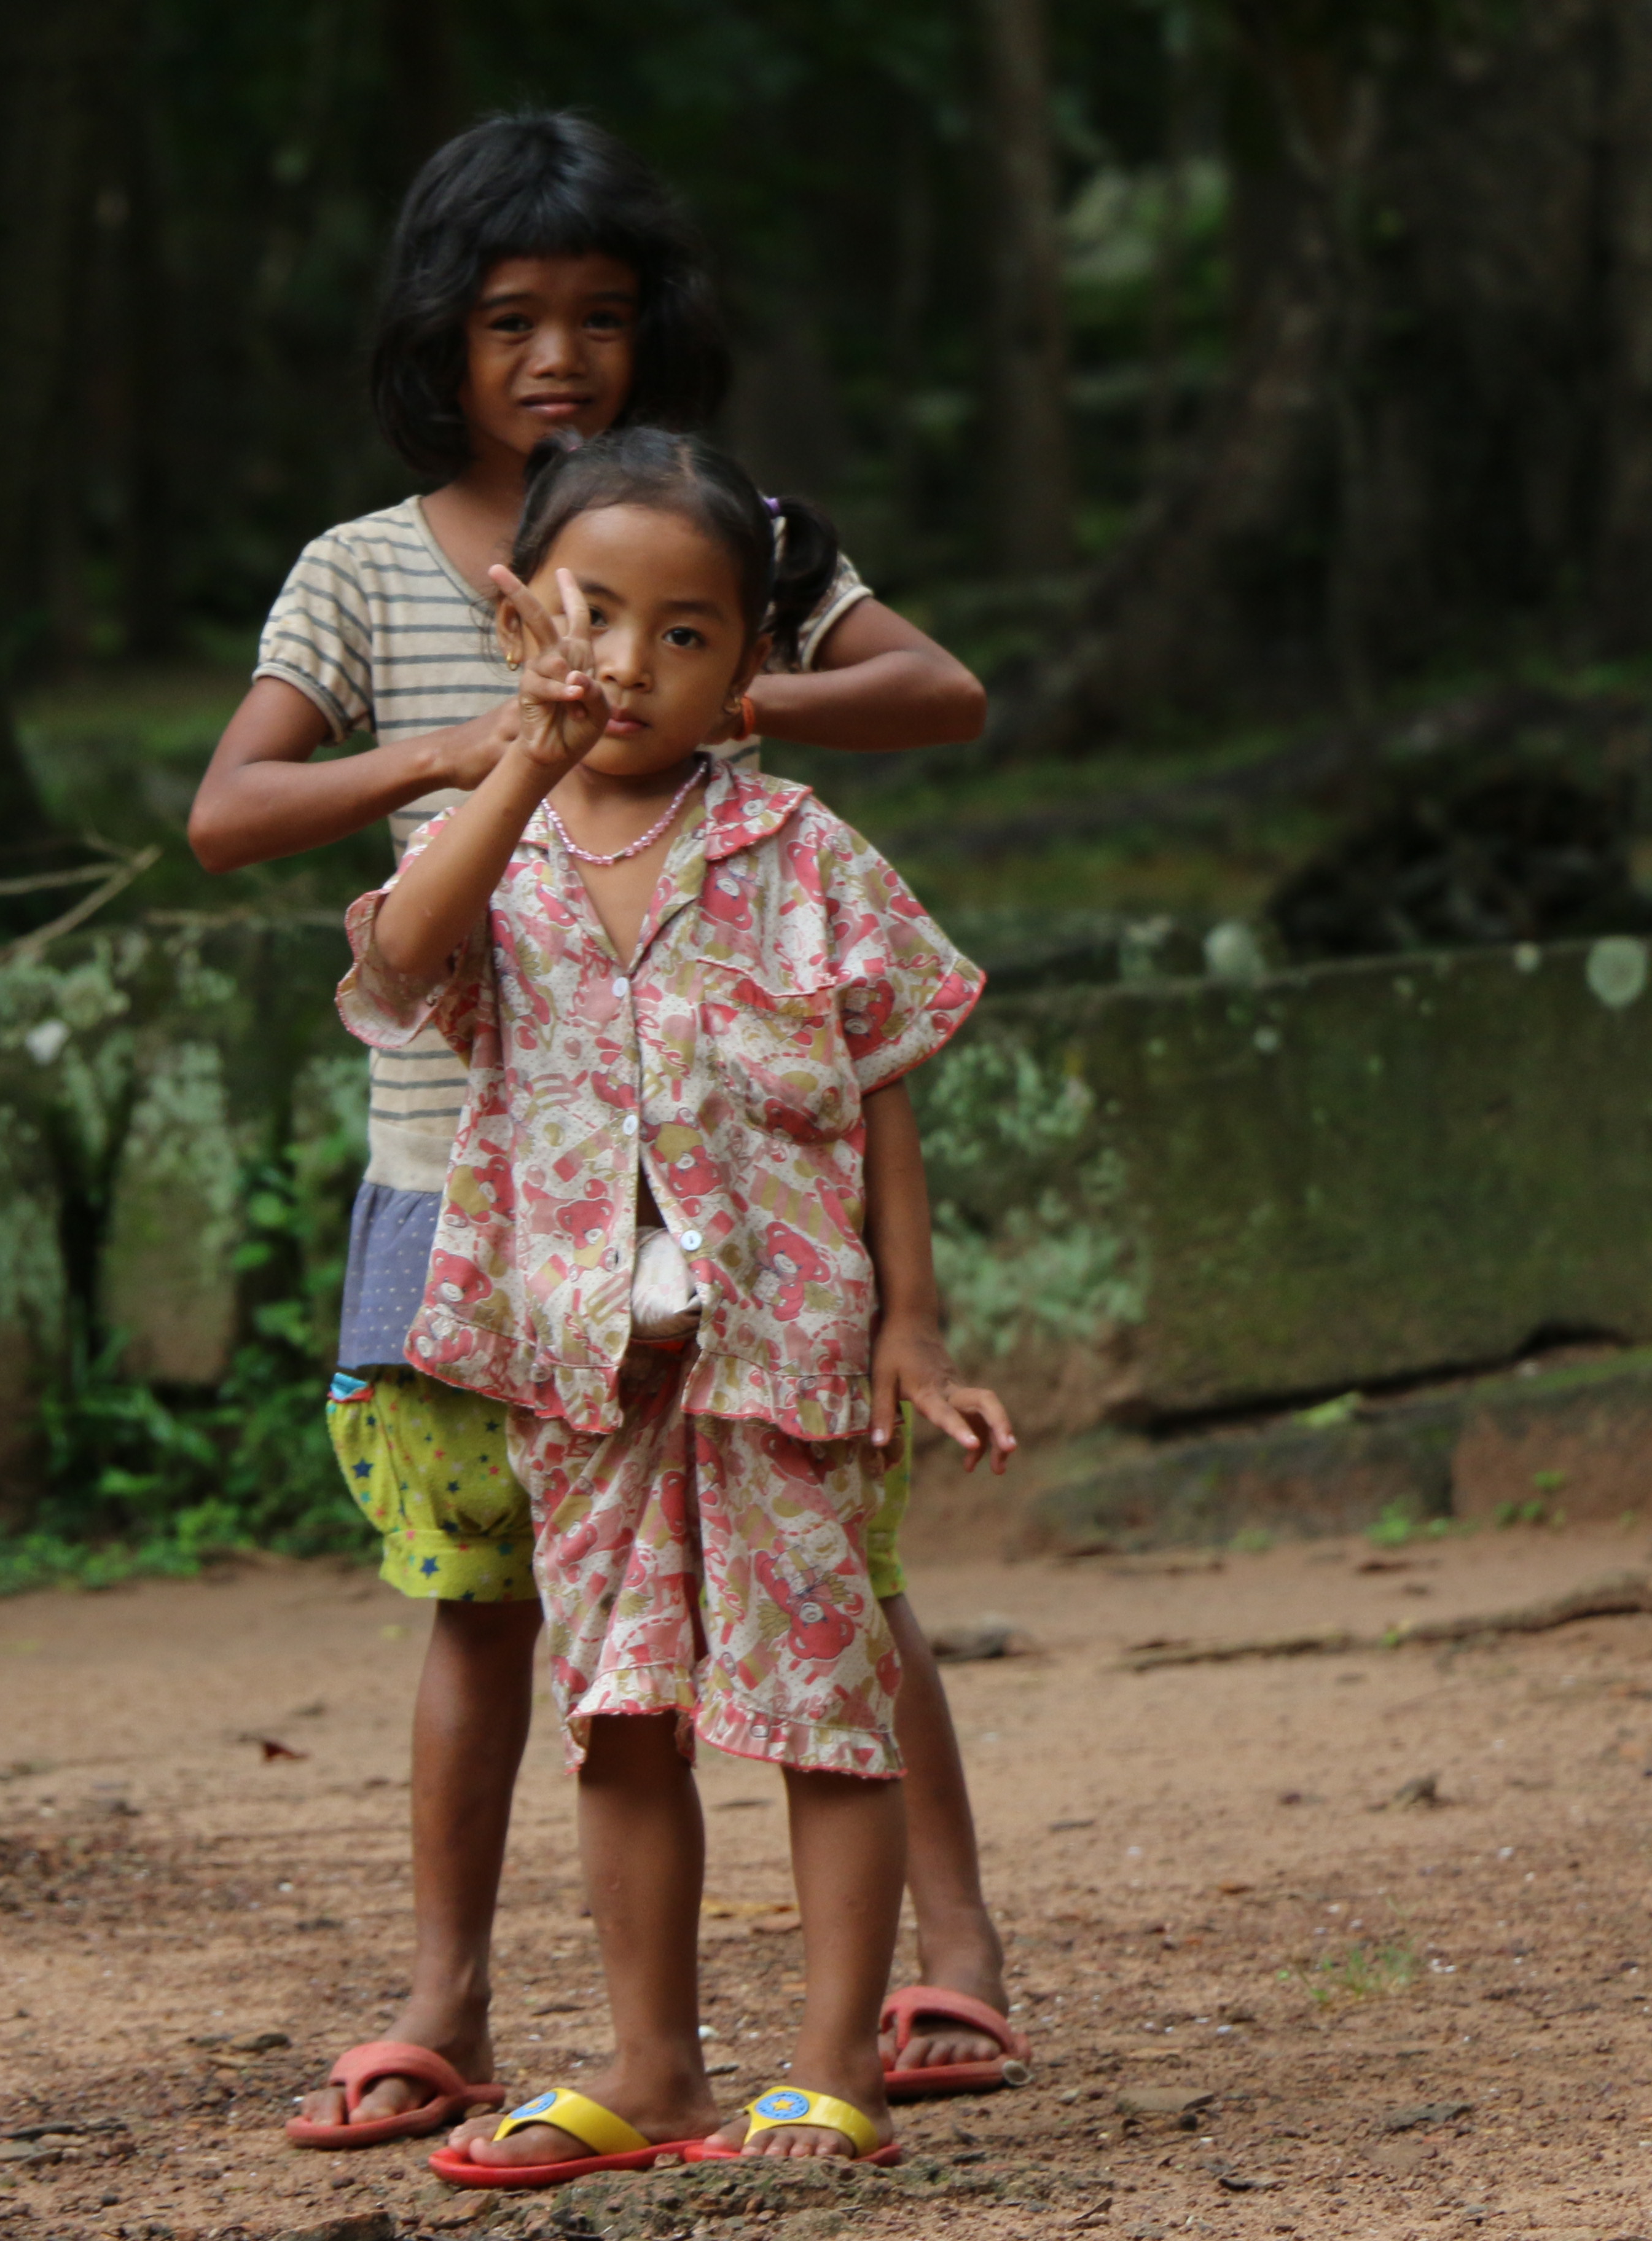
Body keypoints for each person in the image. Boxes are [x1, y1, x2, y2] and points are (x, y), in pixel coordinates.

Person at [187, 114, 1025, 2153]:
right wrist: (494, 749)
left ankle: (933, 1967)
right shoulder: (377, 580)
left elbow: (935, 715)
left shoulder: (746, 563)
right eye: (508, 322)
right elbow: (253, 838)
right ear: (437, 340)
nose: (557, 356)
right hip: (487, 1195)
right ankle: (464, 2004)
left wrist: (746, 700)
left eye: (600, 317)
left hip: (761, 1234)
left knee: (834, 1597)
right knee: (527, 1622)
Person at [332, 427, 1015, 2184]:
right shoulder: (484, 852)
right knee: (618, 1715)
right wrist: (515, 763)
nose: (632, 666)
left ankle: (823, 2070)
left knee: (818, 1706)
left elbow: (882, 1087)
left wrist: (911, 1325)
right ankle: (654, 2073)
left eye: (691, 634)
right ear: (520, 617)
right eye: (594, 618)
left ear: (754, 668)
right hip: (579, 1380)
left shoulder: (801, 850)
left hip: (785, 1367)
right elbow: (400, 970)